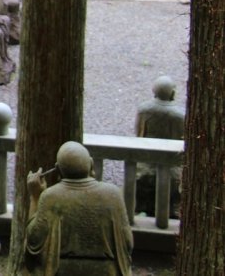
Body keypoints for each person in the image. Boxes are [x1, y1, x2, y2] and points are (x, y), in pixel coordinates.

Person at [26, 141, 133, 275]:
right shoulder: (113, 194)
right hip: (107, 271)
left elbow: (33, 242)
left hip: (64, 271)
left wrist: (35, 197)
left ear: (58, 170)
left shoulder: (51, 197)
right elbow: (128, 243)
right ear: (91, 164)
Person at [135, 75, 184, 217]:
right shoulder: (179, 115)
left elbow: (139, 134)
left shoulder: (143, 110)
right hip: (170, 167)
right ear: (172, 93)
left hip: (145, 164)